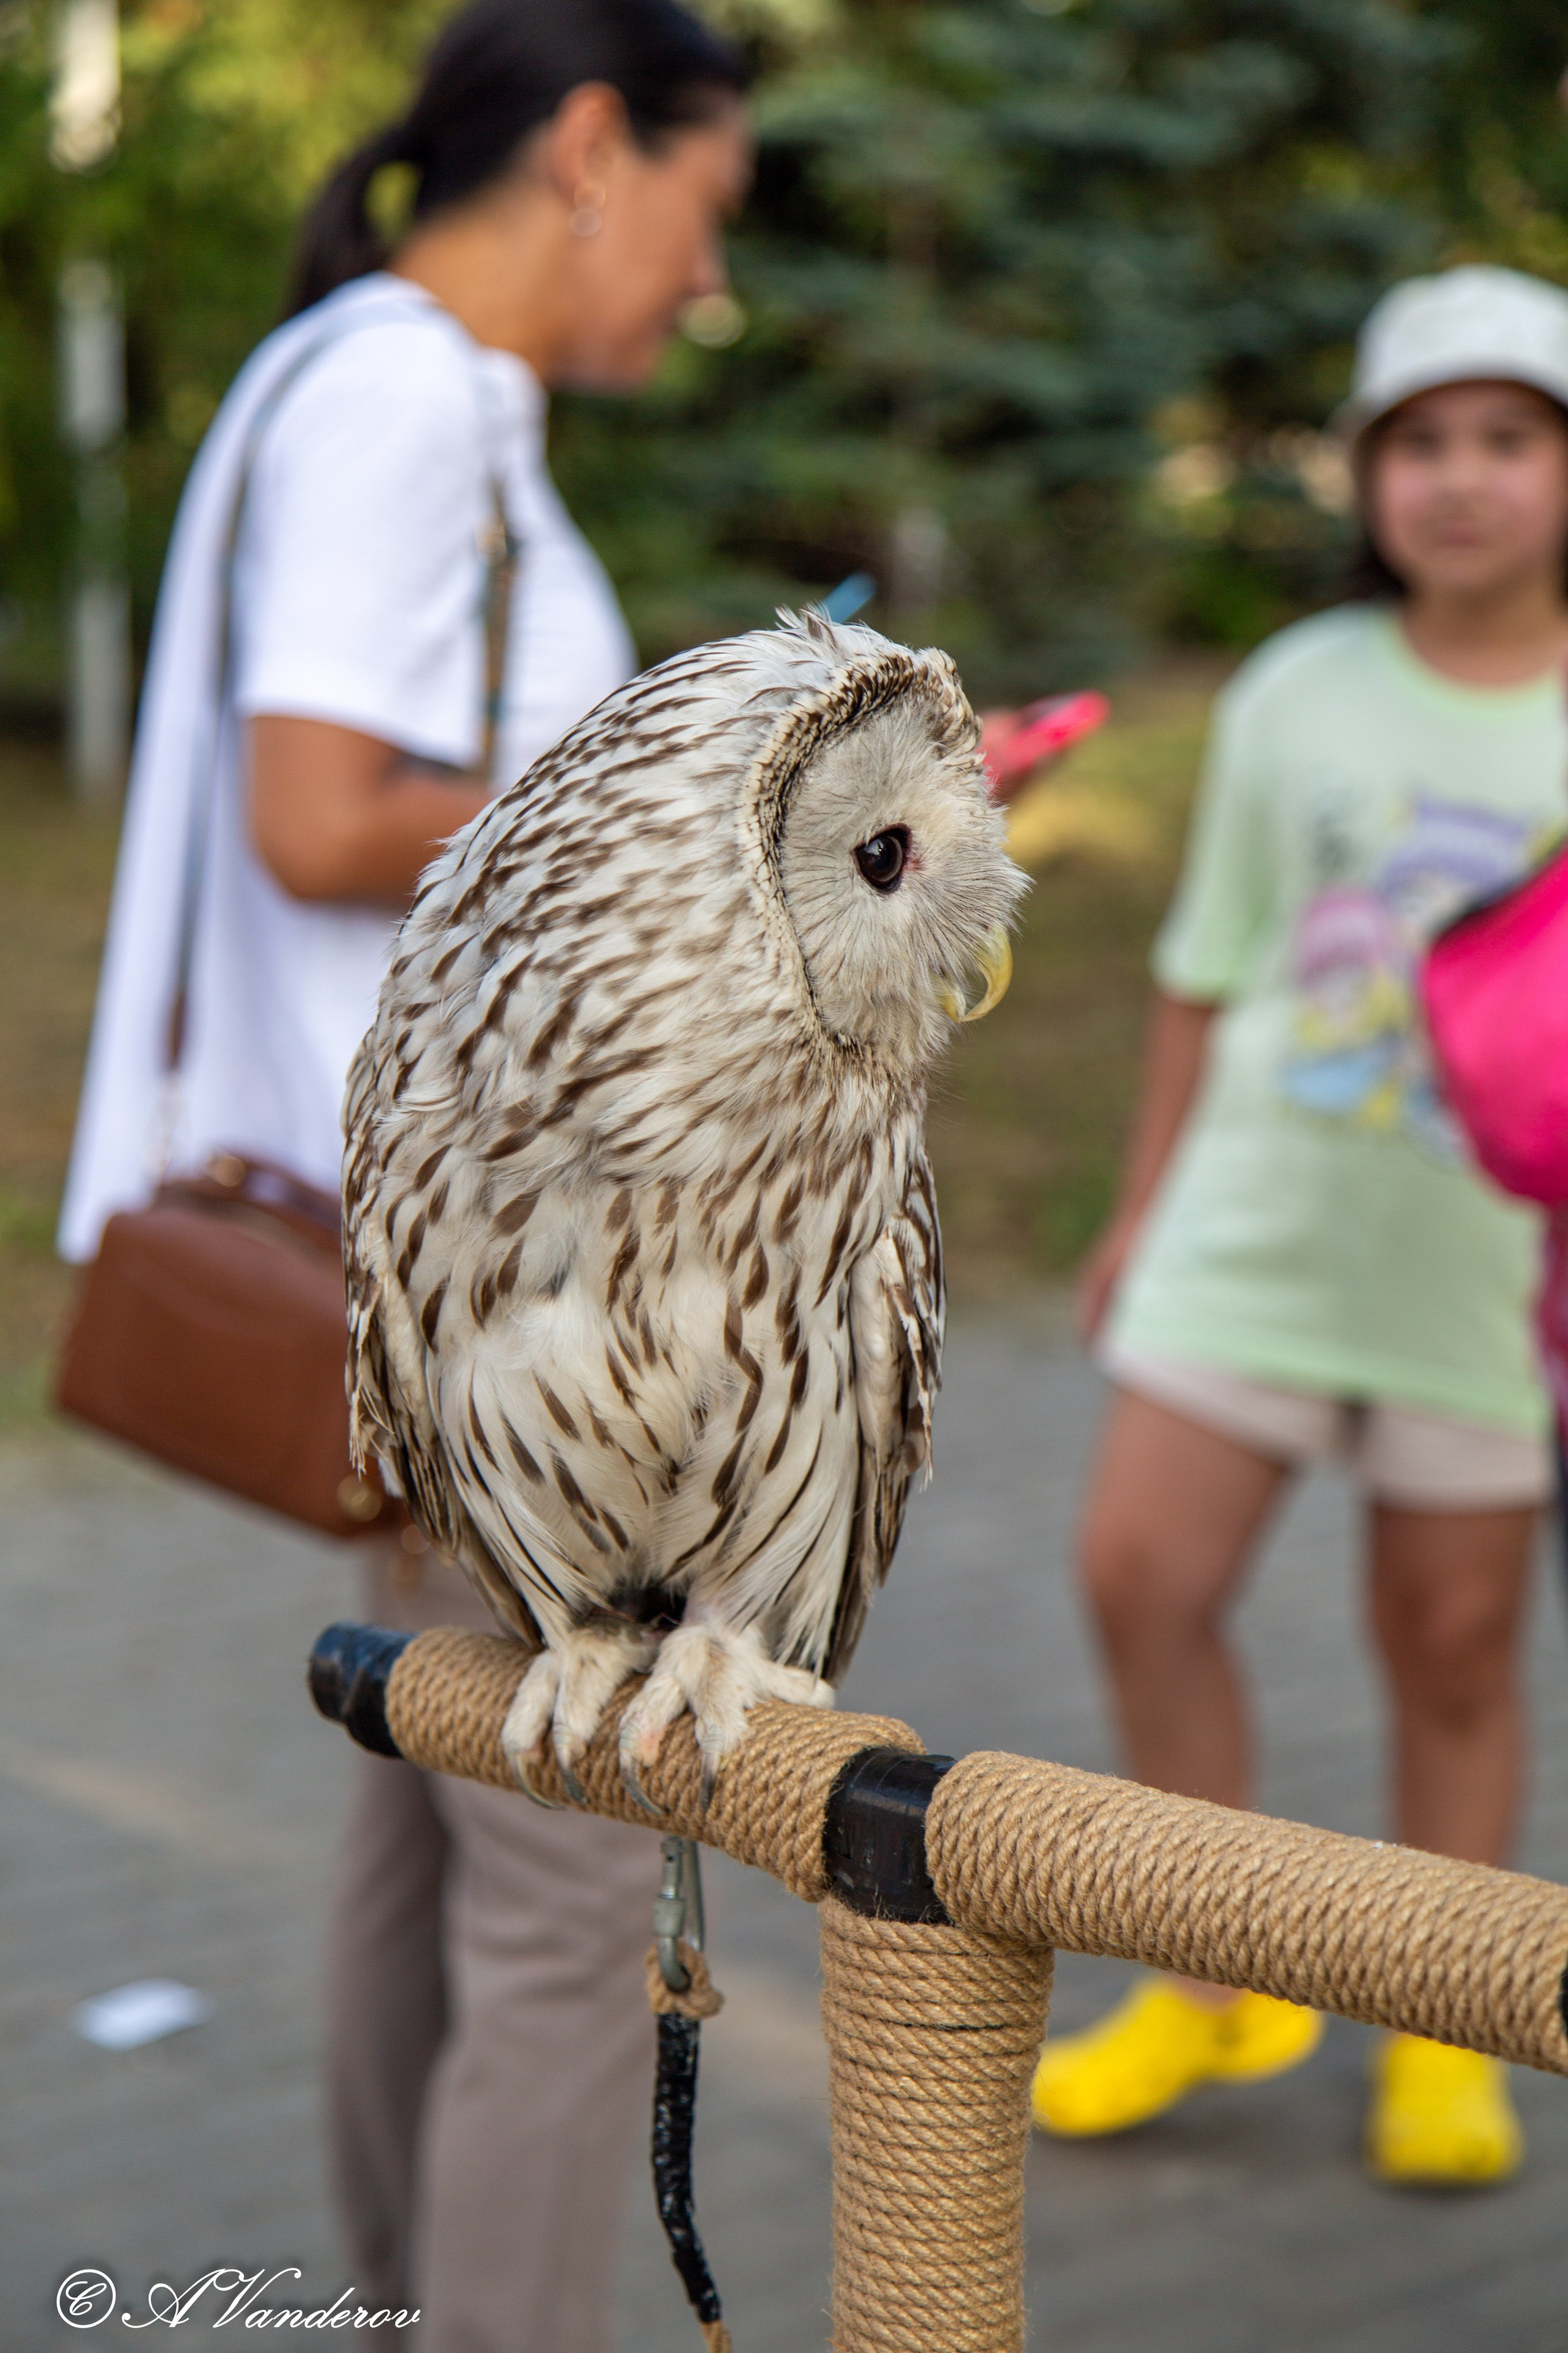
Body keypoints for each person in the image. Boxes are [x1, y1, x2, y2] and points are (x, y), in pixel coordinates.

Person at [58, 4, 752, 2344]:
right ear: (588, 145)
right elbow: (320, 812)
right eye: (705, 207)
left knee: (425, 1795)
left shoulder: (383, 384)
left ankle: (397, 2303)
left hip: (447, 1243)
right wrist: (691, 805)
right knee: (564, 1893)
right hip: (481, 1275)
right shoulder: (409, 396)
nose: (707, 279)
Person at [1033, 265, 1568, 2186]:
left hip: (1491, 1284)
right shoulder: (1292, 694)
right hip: (1254, 1237)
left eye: (1509, 438)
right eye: (1420, 442)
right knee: (1138, 1570)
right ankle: (1208, 1974)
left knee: (1452, 1641)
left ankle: (1443, 2025)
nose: (1463, 482)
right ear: (1365, 478)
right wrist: (1141, 1205)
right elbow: (1205, 969)